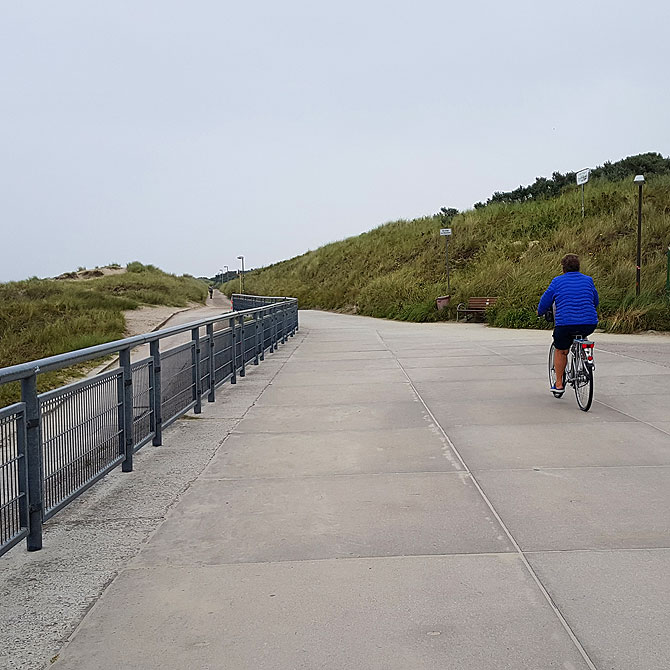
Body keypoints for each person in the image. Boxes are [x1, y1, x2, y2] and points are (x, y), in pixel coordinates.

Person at [537, 254, 599, 394]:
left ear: (563, 268)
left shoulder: (557, 281)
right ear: (578, 267)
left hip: (565, 324)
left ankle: (559, 384)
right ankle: (585, 355)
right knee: (582, 336)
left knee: (561, 350)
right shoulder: (588, 280)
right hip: (589, 323)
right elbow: (595, 301)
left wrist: (540, 312)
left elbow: (545, 300)